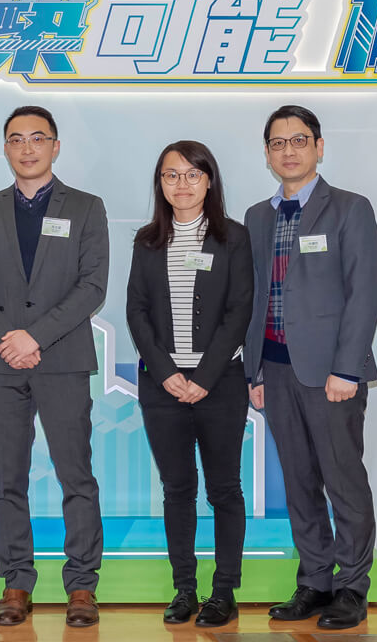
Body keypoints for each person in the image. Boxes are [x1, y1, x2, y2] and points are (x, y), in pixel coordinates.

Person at [0, 105, 107, 628]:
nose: (27, 148)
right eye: (16, 139)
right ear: (5, 148)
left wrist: (35, 336)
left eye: (38, 138)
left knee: (76, 475)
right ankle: (17, 581)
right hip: (2, 363)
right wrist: (9, 340)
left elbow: (93, 286)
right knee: (9, 477)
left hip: (63, 358)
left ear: (56, 146)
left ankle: (82, 587)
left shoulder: (88, 208)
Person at [243, 105, 377, 629]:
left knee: (342, 480)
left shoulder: (349, 209)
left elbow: (364, 294)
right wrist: (253, 370)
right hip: (275, 371)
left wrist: (347, 369)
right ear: (267, 154)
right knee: (298, 483)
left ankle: (351, 586)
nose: (288, 151)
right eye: (277, 143)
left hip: (330, 375)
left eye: (298, 140)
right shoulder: (258, 216)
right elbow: (254, 298)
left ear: (318, 147)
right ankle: (315, 582)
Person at [125, 140, 253, 627]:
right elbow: (136, 311)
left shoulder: (233, 238)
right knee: (177, 489)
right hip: (162, 387)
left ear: (209, 181)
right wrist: (167, 375)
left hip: (219, 385)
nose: (181, 184)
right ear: (160, 183)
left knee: (225, 490)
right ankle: (185, 590)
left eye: (192, 174)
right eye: (170, 175)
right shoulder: (146, 240)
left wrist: (203, 376)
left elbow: (239, 309)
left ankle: (224, 593)